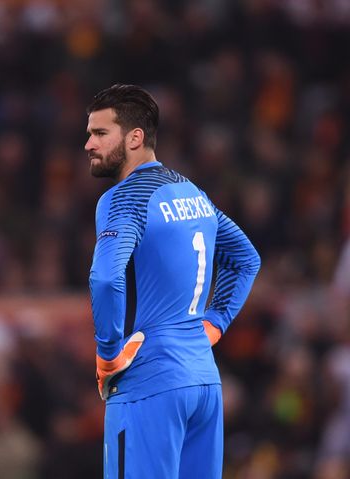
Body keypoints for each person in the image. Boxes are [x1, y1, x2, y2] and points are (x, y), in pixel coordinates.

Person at [84, 84, 260, 478]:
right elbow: (246, 258)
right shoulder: (191, 192)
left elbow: (106, 278)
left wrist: (109, 354)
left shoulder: (124, 198)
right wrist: (215, 322)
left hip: (149, 381)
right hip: (203, 381)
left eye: (99, 133)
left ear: (134, 137)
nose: (88, 144)